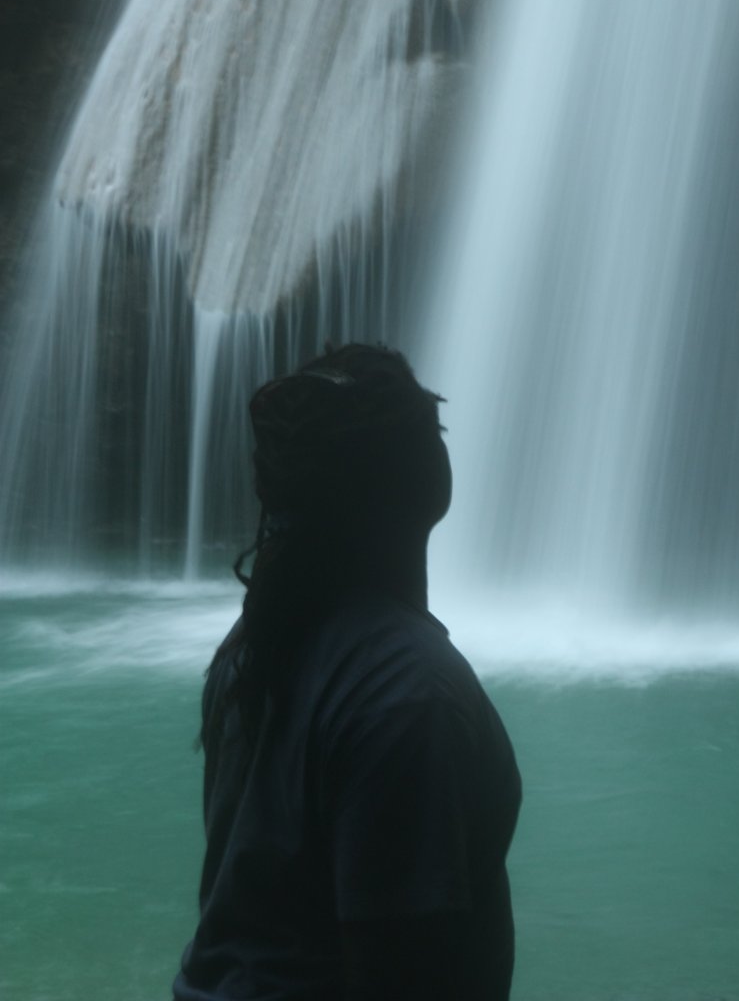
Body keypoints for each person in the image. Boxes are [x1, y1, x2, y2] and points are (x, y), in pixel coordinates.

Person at [173, 342, 521, 1001]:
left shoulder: (254, 647)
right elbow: (399, 970)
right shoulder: (409, 694)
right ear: (426, 473)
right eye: (432, 428)